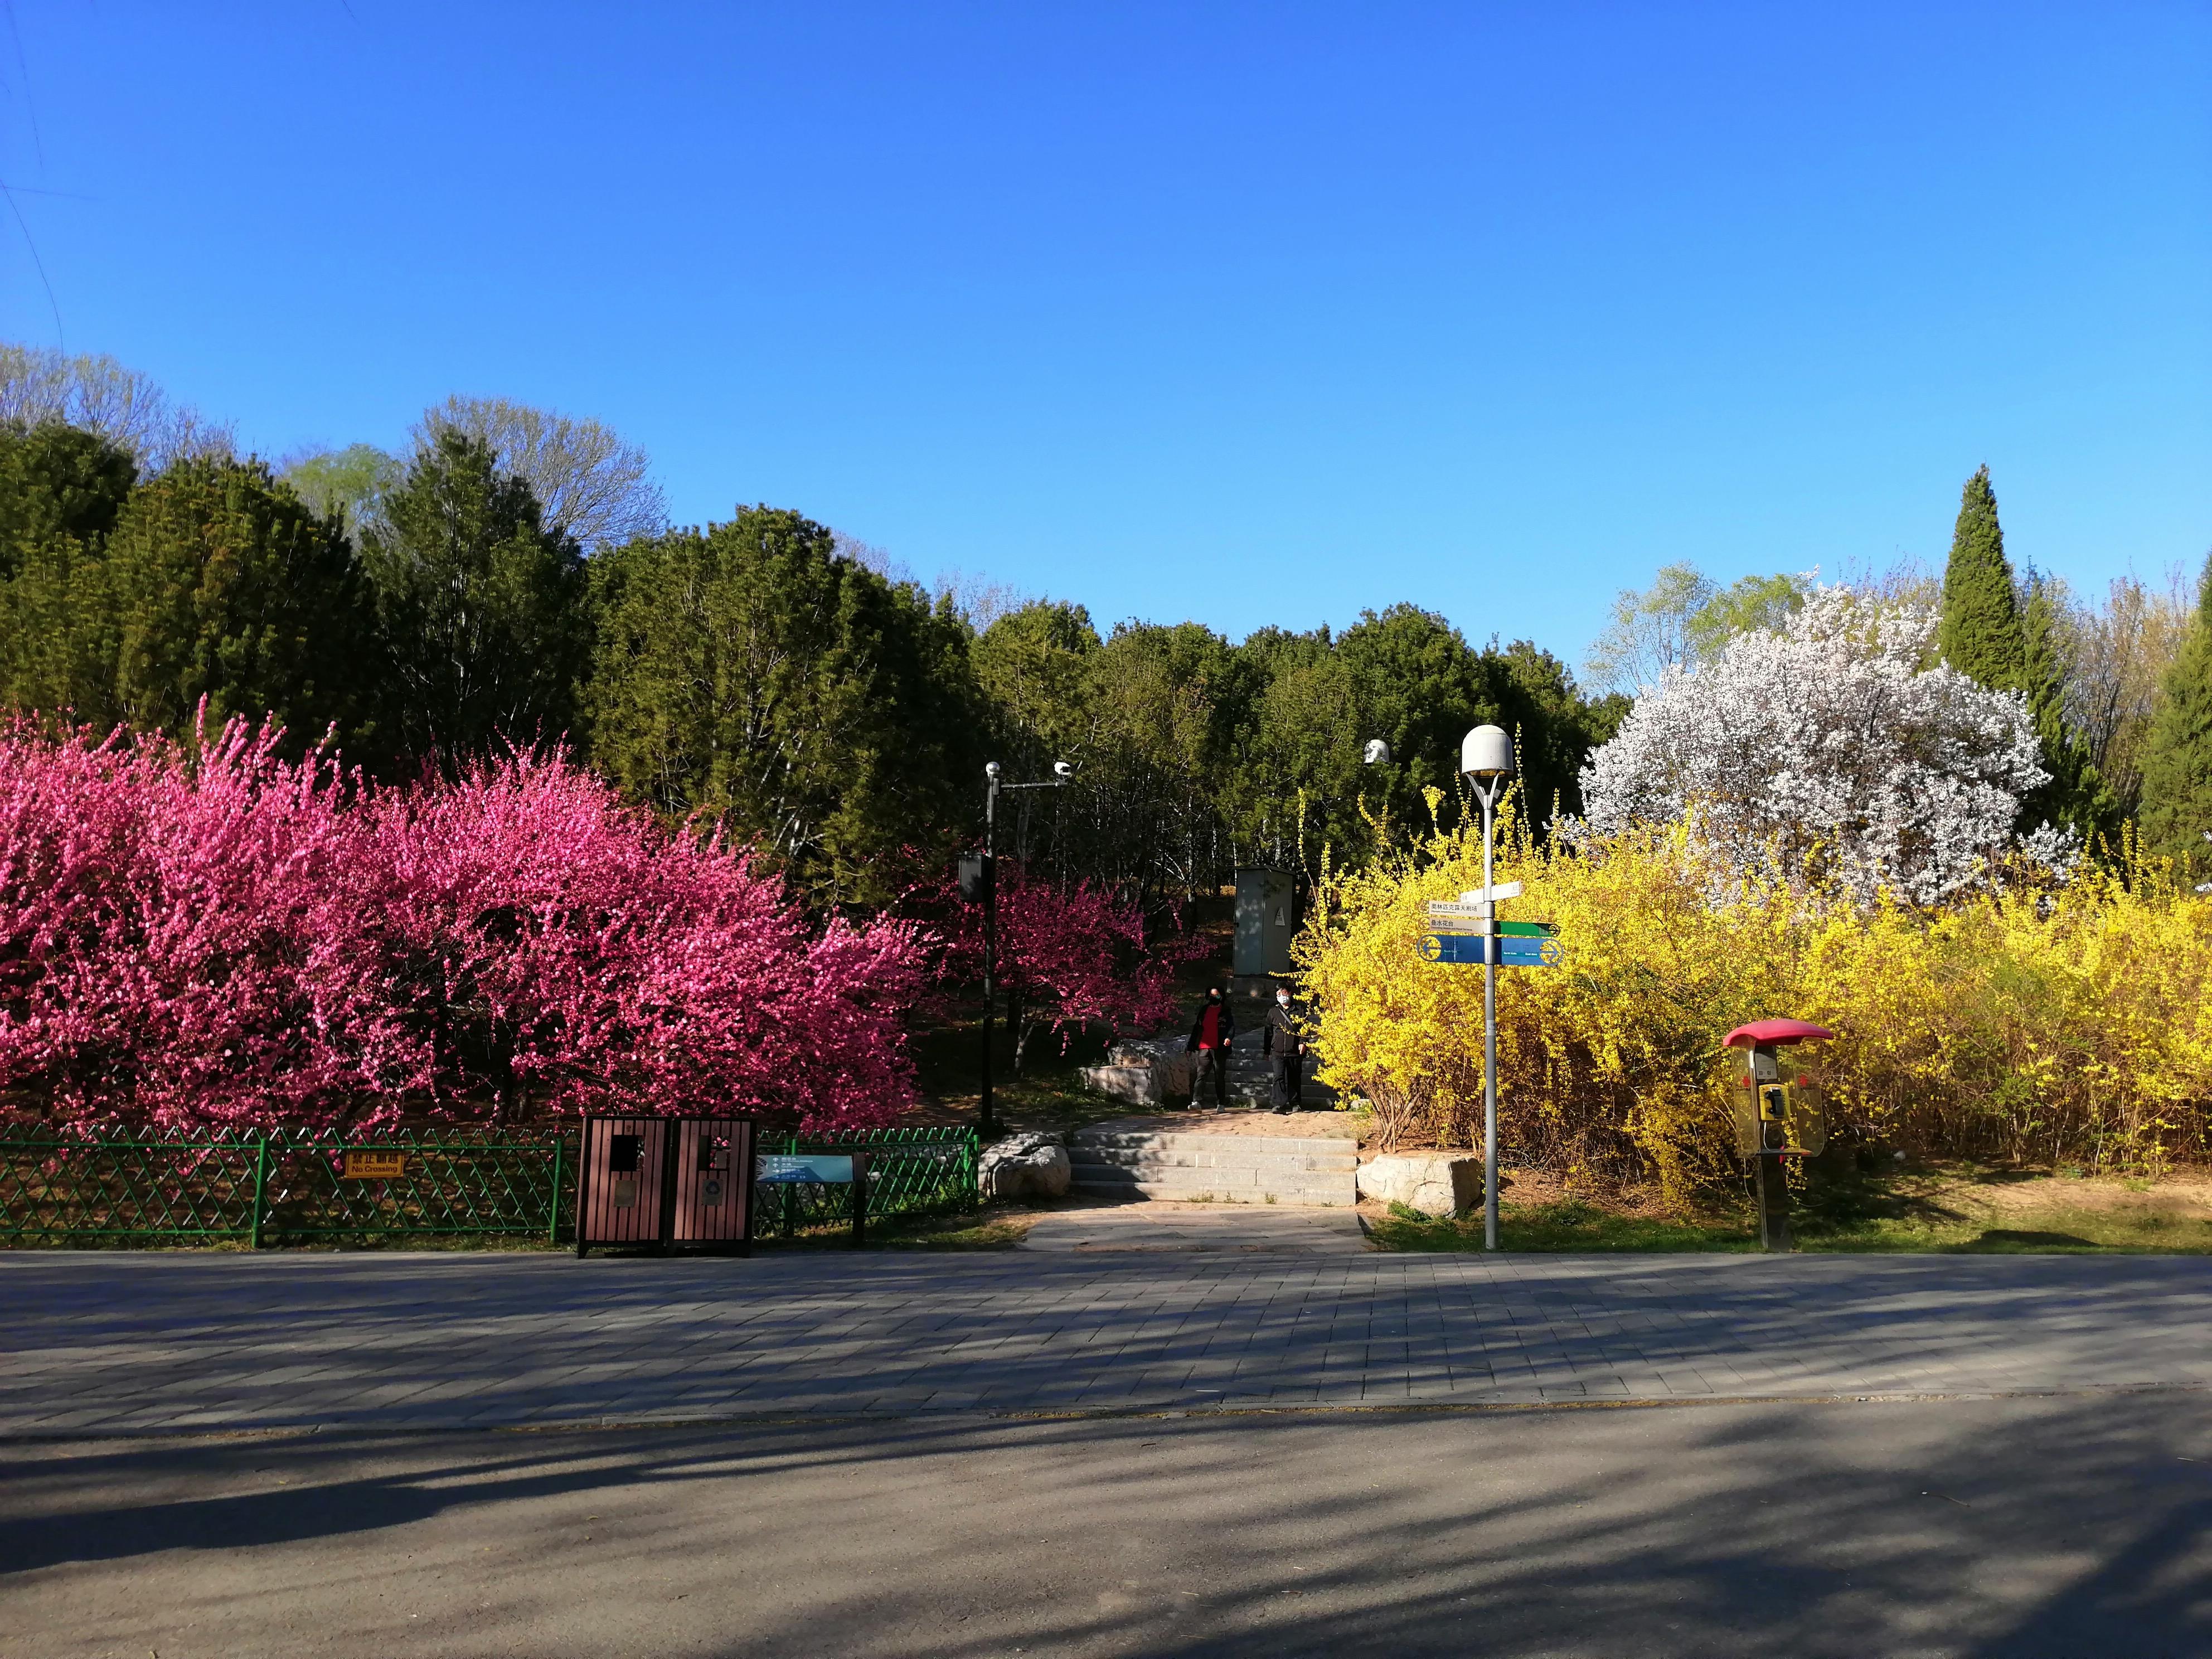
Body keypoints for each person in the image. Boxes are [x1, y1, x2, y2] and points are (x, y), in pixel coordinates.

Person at [1183, 984, 1235, 1108]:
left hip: (1220, 1048)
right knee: (1201, 1074)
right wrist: (1190, 1046)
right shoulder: (1204, 1010)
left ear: (1221, 996)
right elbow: (1197, 1028)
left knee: (1219, 1076)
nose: (1214, 997)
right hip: (1204, 1047)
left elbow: (1231, 1027)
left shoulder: (1226, 1011)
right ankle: (1196, 1101)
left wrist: (1229, 1038)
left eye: (1217, 995)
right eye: (1212, 995)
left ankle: (1221, 1103)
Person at [1262, 985, 1306, 1113]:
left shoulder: (1299, 1010)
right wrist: (1266, 1051)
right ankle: (1279, 1104)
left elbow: (1305, 1028)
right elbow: (1268, 1032)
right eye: (1278, 993)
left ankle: (1295, 1103)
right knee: (1278, 1077)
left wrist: (1303, 1042)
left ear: (1290, 993)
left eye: (1284, 992)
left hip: (1294, 1051)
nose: (1282, 996)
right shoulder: (1273, 1012)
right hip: (1278, 1051)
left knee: (1294, 1077)